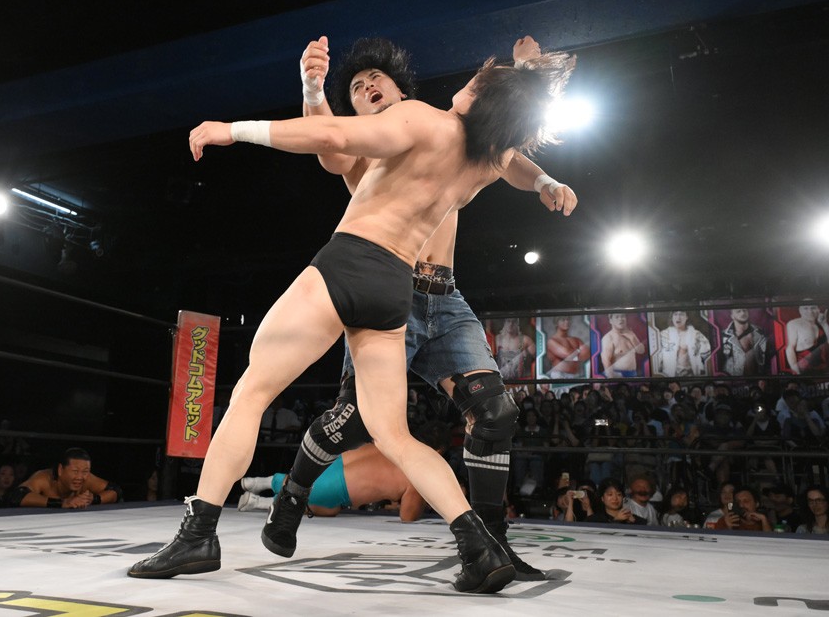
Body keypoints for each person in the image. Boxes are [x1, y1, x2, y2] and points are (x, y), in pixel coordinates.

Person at [128, 41, 576, 594]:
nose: (469, 80)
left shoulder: (421, 119)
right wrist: (527, 75)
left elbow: (332, 136)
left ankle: (198, 534)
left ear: (480, 93)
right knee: (393, 434)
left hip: (353, 262)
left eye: (479, 79)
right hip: (395, 291)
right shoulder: (482, 162)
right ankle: (478, 549)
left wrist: (233, 129)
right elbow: (500, 134)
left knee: (252, 391)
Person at [238, 421, 451, 521]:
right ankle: (261, 501)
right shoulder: (416, 471)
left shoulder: (391, 440)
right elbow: (408, 516)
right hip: (335, 487)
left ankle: (260, 482)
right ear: (438, 452)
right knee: (313, 499)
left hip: (329, 461)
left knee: (330, 508)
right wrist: (426, 497)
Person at [10, 447, 122, 509]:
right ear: (60, 470)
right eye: (75, 471)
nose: (80, 477)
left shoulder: (87, 479)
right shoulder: (44, 478)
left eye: (85, 471)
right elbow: (17, 496)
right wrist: (62, 503)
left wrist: (94, 499)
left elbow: (115, 490)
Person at [653, 311, 711, 377]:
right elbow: (656, 359)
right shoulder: (663, 335)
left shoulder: (696, 334)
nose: (678, 317)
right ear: (672, 317)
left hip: (692, 375)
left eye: (682, 314)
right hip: (670, 376)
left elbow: (708, 354)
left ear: (687, 317)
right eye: (675, 314)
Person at [720, 309, 769, 376]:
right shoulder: (723, 336)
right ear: (732, 316)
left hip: (757, 379)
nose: (742, 313)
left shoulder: (760, 333)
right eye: (738, 311)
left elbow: (767, 357)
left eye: (744, 310)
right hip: (732, 379)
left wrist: (763, 377)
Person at [785, 304, 829, 375]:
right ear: (800, 310)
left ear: (818, 310)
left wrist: (824, 324)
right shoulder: (794, 324)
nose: (810, 311)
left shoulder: (820, 324)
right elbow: (790, 348)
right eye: (805, 308)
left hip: (823, 370)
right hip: (804, 371)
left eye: (813, 308)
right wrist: (796, 372)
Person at [600, 313, 645, 378]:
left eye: (623, 316)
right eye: (617, 317)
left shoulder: (631, 333)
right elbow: (605, 359)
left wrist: (633, 338)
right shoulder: (609, 338)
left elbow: (641, 351)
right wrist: (611, 376)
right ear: (611, 321)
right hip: (618, 375)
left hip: (633, 374)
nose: (620, 319)